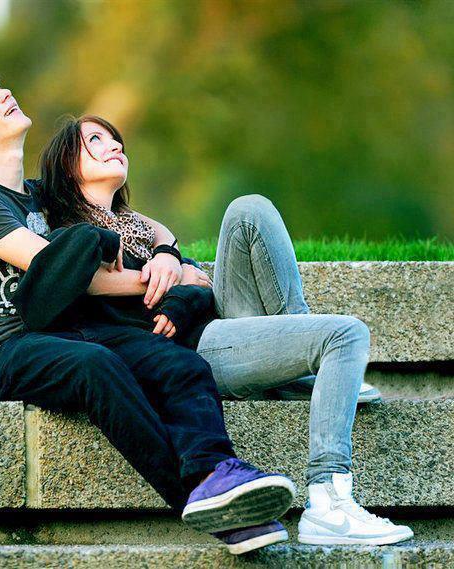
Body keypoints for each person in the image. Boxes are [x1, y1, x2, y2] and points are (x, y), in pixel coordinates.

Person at [0, 75, 297, 556]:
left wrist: (166, 252)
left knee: (179, 364)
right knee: (97, 366)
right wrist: (141, 268)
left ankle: (219, 470)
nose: (2, 94)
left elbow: (134, 220)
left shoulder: (38, 195)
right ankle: (202, 500)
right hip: (10, 350)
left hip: (72, 331)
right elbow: (57, 269)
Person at [37, 114, 414, 546]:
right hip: (193, 351)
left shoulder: (137, 227)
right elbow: (111, 294)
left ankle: (298, 373)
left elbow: (200, 281)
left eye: (116, 139)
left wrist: (174, 265)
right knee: (345, 335)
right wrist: (177, 278)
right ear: (68, 165)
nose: (115, 145)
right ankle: (328, 501)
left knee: (248, 209)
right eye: (95, 140)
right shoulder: (73, 239)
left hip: (216, 325)